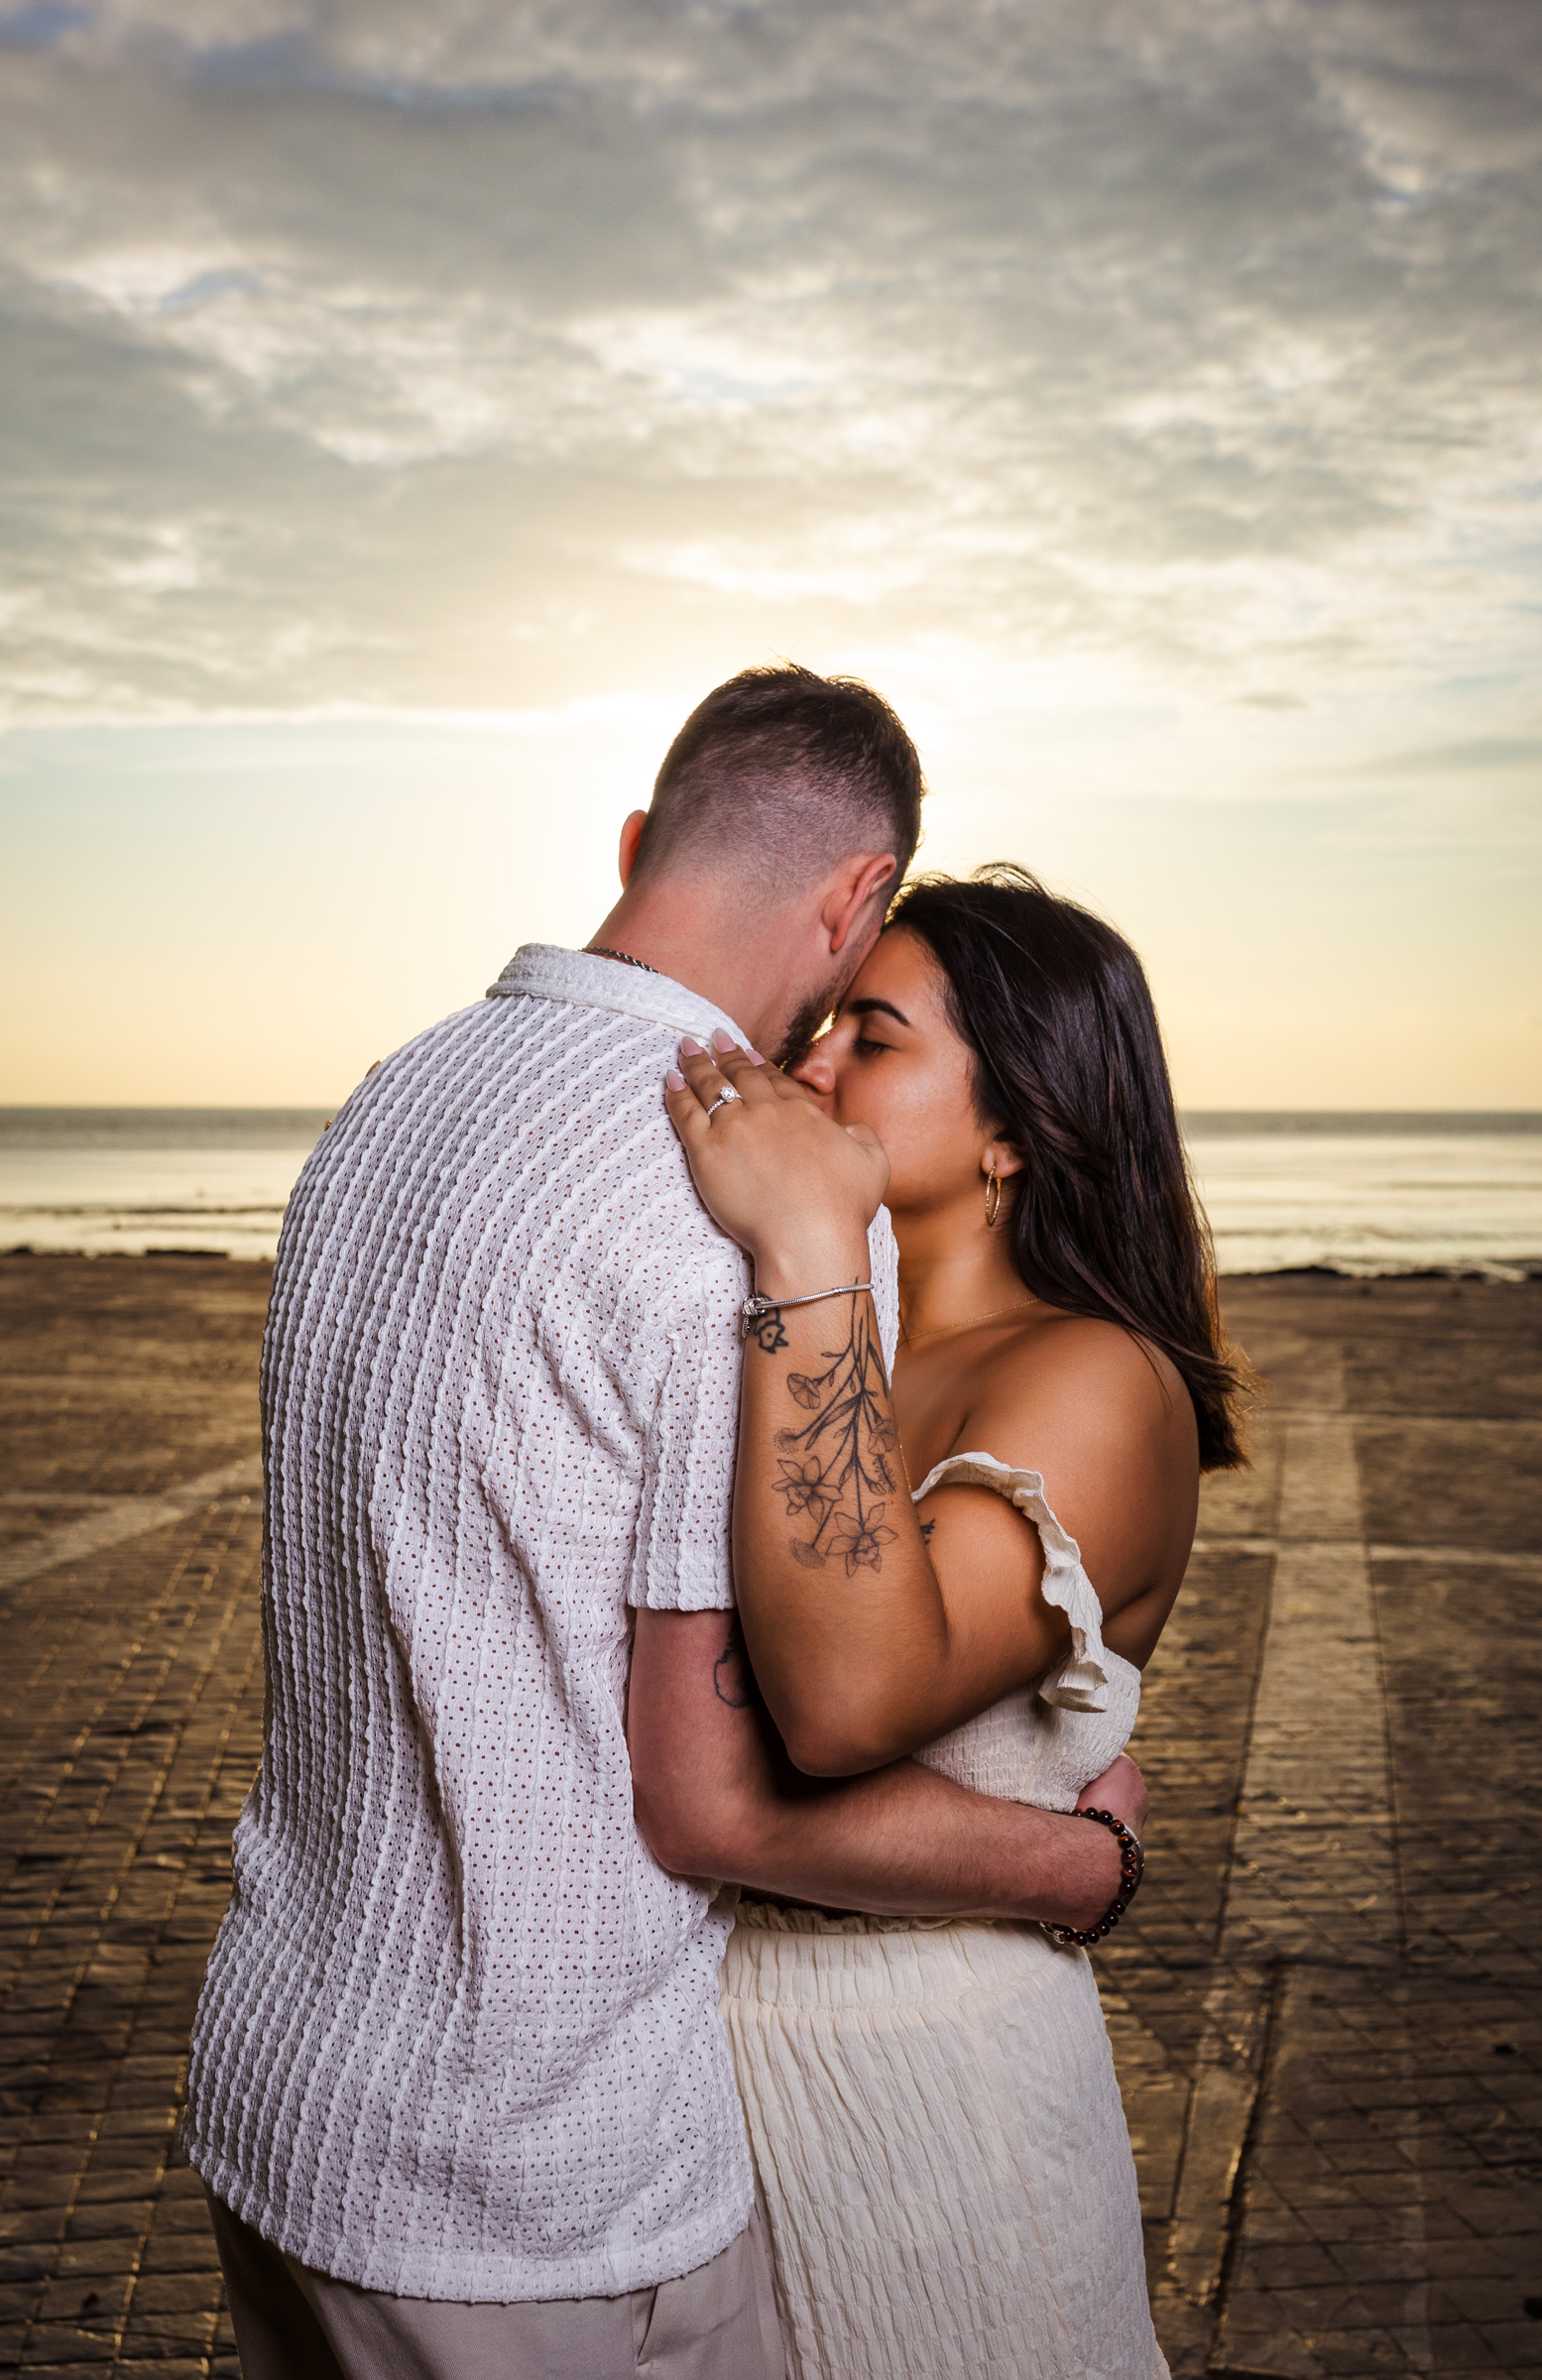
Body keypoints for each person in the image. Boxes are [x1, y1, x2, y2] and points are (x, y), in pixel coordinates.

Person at [182, 676, 1146, 2380]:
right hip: (530, 2174)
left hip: (307, 2083)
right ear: (852, 902)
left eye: (877, 1034)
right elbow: (724, 1780)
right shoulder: (742, 1224)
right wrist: (1076, 1859)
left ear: (642, 844)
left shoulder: (398, 1096)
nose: (817, 1057)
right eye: (847, 1005)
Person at [660, 864, 1250, 2380]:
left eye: (874, 1033)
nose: (810, 1065)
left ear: (1012, 1130)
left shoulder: (1095, 1381)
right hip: (711, 2105)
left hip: (937, 2099)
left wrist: (803, 1252)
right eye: (821, 1022)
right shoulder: (827, 1340)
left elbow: (848, 1705)